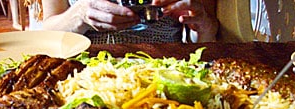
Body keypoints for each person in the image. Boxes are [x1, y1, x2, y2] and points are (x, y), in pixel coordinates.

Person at [41, 0, 219, 44]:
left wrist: (201, 25)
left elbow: (210, 36)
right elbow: (48, 35)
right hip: (83, 71)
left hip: (168, 69)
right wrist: (79, 15)